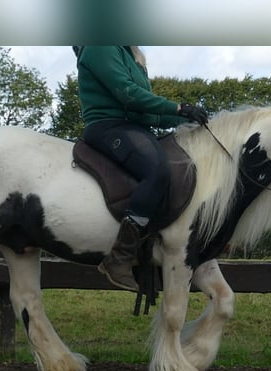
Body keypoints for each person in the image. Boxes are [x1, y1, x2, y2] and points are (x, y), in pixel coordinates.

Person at [74, 45, 209, 292]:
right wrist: (178, 107)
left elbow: (147, 114)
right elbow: (128, 94)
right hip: (108, 126)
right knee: (158, 170)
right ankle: (120, 257)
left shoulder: (130, 54)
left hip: (134, 128)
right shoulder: (100, 45)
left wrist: (187, 118)